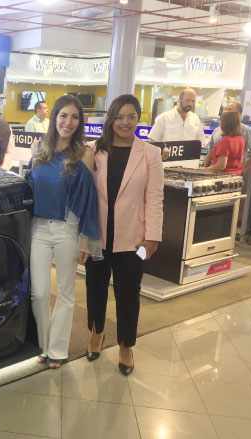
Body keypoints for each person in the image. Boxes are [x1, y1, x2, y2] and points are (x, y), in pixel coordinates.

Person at [85, 94, 164, 376]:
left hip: (134, 239)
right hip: (97, 235)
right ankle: (97, 333)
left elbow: (154, 197)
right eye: (119, 117)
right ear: (111, 119)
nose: (125, 123)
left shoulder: (150, 153)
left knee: (129, 293)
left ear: (139, 118)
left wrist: (152, 237)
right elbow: (83, 193)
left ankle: (126, 345)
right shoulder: (93, 149)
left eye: (131, 117)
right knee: (95, 288)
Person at [26, 94, 102, 369]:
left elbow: (89, 200)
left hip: (68, 229)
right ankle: (44, 345)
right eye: (63, 115)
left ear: (80, 122)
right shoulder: (38, 147)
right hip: (38, 227)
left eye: (74, 117)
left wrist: (85, 240)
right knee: (39, 292)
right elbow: (29, 189)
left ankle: (57, 351)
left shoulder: (84, 154)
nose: (68, 122)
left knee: (66, 293)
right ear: (54, 118)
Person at [204, 101, 251, 174]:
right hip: (232, 173)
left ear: (238, 113)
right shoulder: (218, 131)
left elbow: (221, 166)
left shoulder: (244, 131)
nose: (226, 111)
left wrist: (246, 166)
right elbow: (211, 151)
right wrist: (205, 167)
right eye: (225, 109)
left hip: (223, 174)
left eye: (229, 109)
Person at [204, 110, 245, 175]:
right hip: (236, 175)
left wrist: (204, 170)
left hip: (223, 176)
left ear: (225, 123)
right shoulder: (240, 139)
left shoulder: (226, 141)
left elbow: (221, 166)